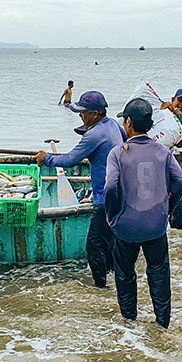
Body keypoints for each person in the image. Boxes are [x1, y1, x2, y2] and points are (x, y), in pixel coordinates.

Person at [104, 99, 182, 328]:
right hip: (155, 226)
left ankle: (130, 321)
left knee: (125, 274)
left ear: (128, 122)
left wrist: (112, 215)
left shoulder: (118, 153)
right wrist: (167, 209)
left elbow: (110, 187)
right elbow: (180, 182)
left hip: (125, 226)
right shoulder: (163, 151)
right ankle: (162, 324)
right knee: (159, 274)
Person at [35, 90, 124, 288]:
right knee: (109, 242)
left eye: (82, 112)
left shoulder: (94, 134)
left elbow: (69, 160)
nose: (80, 115)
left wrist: (46, 158)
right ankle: (115, 279)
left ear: (94, 113)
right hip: (119, 193)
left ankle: (101, 287)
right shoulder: (114, 126)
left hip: (104, 199)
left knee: (93, 246)